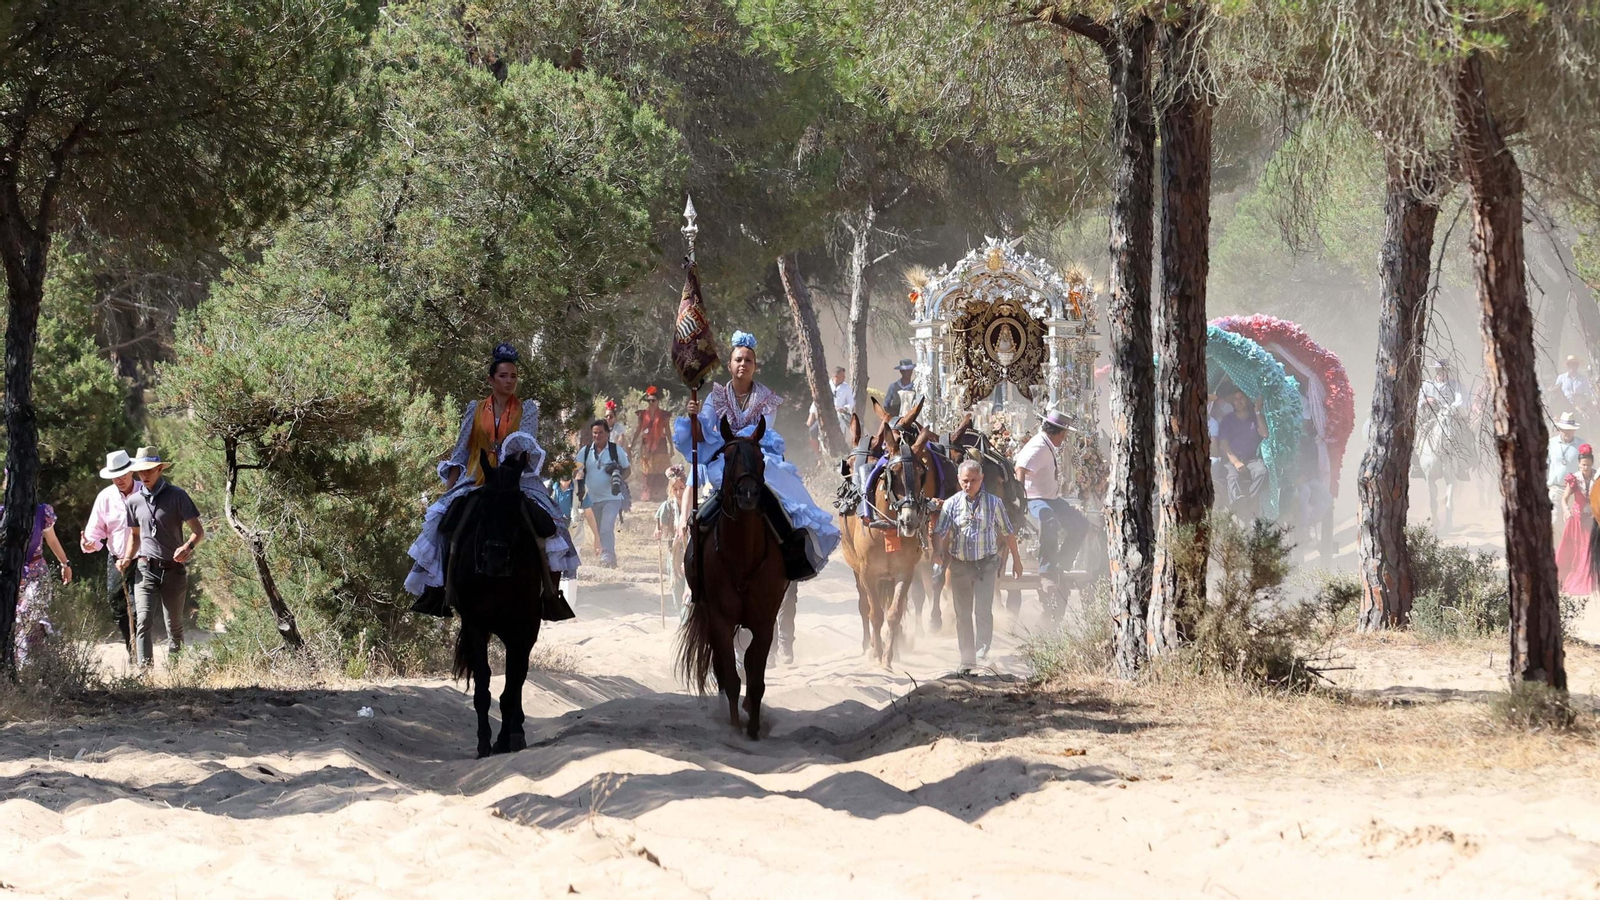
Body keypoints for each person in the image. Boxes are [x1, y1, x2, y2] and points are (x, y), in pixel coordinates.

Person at [404, 344, 580, 611]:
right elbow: (461, 451)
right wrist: (449, 491)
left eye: (513, 376)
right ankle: (437, 591)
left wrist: (511, 466)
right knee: (441, 523)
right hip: (477, 477)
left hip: (517, 479)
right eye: (503, 376)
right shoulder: (475, 409)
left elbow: (525, 444)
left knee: (551, 523)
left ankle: (551, 594)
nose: (509, 381)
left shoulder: (527, 409)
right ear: (491, 380)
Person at [676, 330, 841, 582]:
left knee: (778, 490)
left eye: (748, 360)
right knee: (709, 501)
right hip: (724, 458)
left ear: (755, 366)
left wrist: (738, 442)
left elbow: (761, 431)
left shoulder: (766, 399)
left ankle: (791, 549)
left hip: (757, 454)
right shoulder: (715, 396)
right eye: (738, 360)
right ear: (730, 365)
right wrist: (694, 417)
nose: (743, 364)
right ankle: (695, 555)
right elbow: (702, 434)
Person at [117, 447, 202, 669]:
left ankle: (175, 671)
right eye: (140, 471)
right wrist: (127, 558)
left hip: (173, 570)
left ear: (159, 469)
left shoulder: (177, 495)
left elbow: (198, 531)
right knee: (143, 620)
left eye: (149, 470)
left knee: (174, 625)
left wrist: (187, 547)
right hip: (145, 569)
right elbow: (135, 536)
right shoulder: (134, 501)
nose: (144, 475)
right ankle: (145, 672)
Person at [935, 460, 1022, 669]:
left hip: (986, 565)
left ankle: (982, 652)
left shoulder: (994, 503)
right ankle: (967, 658)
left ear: (982, 479)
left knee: (983, 611)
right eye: (965, 480)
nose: (969, 485)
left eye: (974, 480)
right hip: (960, 566)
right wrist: (937, 550)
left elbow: (1007, 531)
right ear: (959, 480)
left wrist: (1016, 560)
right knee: (963, 614)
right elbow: (940, 531)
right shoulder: (951, 504)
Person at [1014, 410, 1088, 620]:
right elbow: (1020, 468)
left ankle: (1061, 564)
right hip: (1035, 499)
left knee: (1080, 524)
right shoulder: (1038, 446)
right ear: (1059, 432)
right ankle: (1046, 570)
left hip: (1051, 499)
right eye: (1064, 435)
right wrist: (1020, 499)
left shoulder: (1046, 444)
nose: (1064, 439)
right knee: (1048, 519)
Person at [2, 470, 73, 667]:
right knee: (14, 622)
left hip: (37, 573)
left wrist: (65, 563)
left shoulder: (42, 512)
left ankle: (36, 666)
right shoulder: (2, 514)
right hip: (11, 575)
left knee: (30, 614)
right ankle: (25, 667)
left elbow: (52, 540)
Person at [82, 450, 138, 656]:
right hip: (116, 559)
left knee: (139, 607)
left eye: (122, 474)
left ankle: (142, 653)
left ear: (131, 472)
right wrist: (90, 544)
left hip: (143, 558)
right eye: (115, 476)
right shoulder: (105, 497)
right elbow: (95, 531)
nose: (119, 479)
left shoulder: (145, 492)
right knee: (118, 606)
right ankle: (132, 650)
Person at [577, 418, 630, 568]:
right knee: (599, 530)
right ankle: (609, 557)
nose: (597, 436)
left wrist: (618, 478)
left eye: (600, 432)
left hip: (612, 497)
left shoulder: (615, 450)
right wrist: (578, 475)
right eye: (594, 433)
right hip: (591, 499)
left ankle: (606, 558)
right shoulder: (585, 451)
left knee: (606, 527)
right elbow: (575, 468)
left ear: (607, 433)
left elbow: (628, 469)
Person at [1217, 388, 1269, 517]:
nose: (1239, 401)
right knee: (1232, 477)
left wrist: (1257, 412)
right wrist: (1236, 462)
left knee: (1261, 471)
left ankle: (1248, 502)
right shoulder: (1227, 420)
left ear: (1247, 400)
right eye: (1236, 399)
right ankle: (1237, 506)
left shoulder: (1254, 417)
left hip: (1252, 459)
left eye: (1241, 398)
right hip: (1232, 460)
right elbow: (1224, 444)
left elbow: (1264, 433)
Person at [1556, 444, 1597, 595]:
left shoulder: (1597, 478)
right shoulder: (1574, 479)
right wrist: (1566, 510)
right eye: (1583, 465)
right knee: (1574, 550)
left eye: (1588, 465)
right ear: (1579, 464)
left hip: (1592, 519)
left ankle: (1591, 578)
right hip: (1577, 520)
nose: (1585, 468)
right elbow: (1564, 498)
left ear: (1592, 464)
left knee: (1590, 549)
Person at [654, 465, 689, 611]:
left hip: (691, 552)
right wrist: (658, 532)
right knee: (677, 590)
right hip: (674, 553)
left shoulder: (694, 506)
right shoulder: (667, 507)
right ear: (670, 490)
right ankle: (681, 617)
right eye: (675, 489)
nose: (679, 492)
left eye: (682, 488)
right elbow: (660, 526)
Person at [630, 386, 673, 503]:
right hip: (646, 445)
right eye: (649, 401)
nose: (651, 403)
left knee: (661, 469)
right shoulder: (642, 414)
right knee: (647, 470)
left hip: (660, 443)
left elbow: (668, 431)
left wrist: (671, 446)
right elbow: (638, 430)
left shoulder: (663, 415)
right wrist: (632, 444)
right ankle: (648, 493)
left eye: (653, 400)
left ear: (658, 401)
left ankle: (660, 493)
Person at [1549, 412, 1585, 521]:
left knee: (1572, 522)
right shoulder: (1551, 443)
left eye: (1570, 429)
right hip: (1556, 489)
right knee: (1555, 521)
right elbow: (1545, 465)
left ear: (1574, 430)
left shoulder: (1581, 444)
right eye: (1565, 429)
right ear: (1560, 429)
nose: (1567, 432)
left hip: (1574, 491)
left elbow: (1585, 466)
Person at [830, 366, 855, 434]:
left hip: (841, 414)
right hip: (828, 413)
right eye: (842, 376)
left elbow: (851, 402)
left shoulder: (846, 387)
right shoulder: (827, 386)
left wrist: (844, 408)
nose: (844, 377)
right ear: (836, 376)